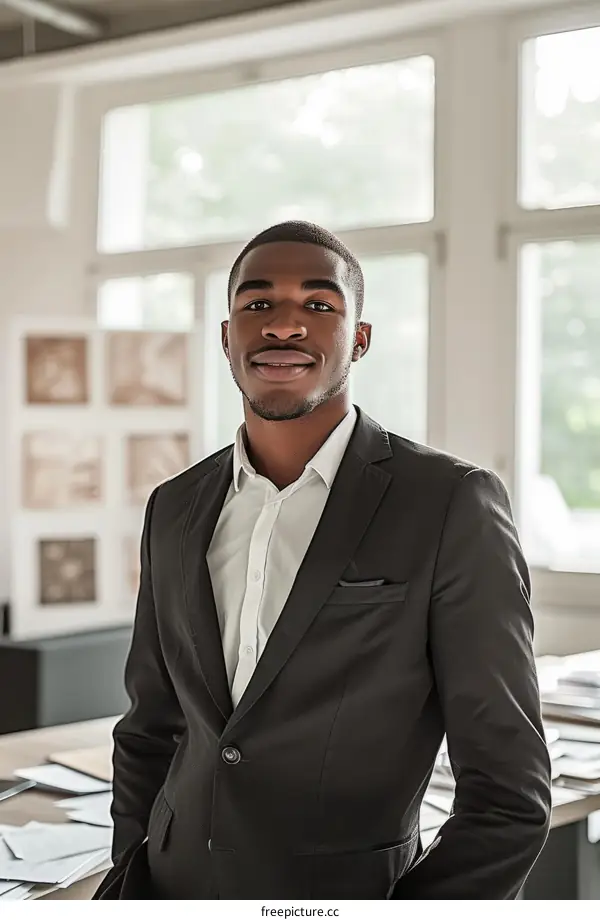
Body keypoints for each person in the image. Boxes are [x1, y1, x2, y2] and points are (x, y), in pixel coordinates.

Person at [93, 220, 551, 900]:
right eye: (257, 305)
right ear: (227, 337)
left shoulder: (449, 504)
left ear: (359, 338)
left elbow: (509, 794)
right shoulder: (174, 506)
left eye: (318, 305)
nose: (283, 326)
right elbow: (149, 728)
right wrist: (131, 873)